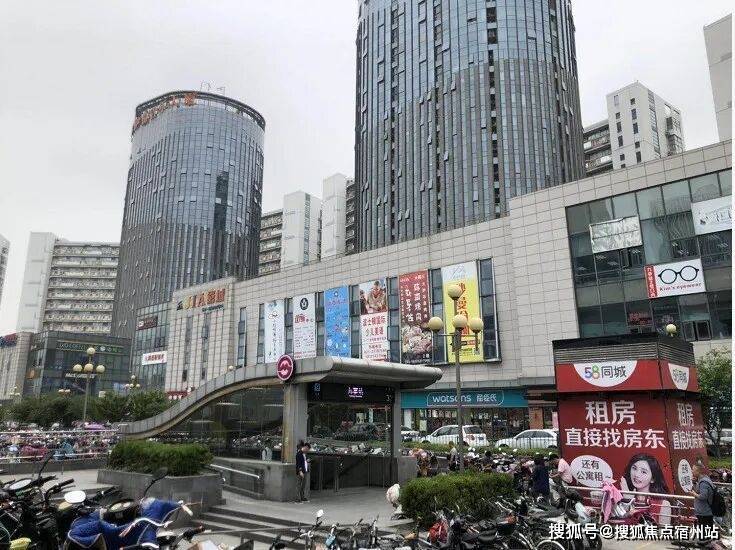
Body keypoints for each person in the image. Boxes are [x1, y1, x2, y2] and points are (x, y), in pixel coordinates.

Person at [620, 453, 672, 525]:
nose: (636, 475)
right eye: (634, 468)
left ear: (653, 479)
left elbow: (663, 532)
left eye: (643, 472)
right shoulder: (621, 498)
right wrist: (627, 501)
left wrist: (629, 503)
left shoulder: (663, 504)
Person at [688, 464, 714, 528]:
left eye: (693, 470)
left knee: (704, 532)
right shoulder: (703, 480)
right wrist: (694, 482)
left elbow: (703, 496)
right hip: (704, 511)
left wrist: (693, 494)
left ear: (698, 471)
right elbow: (698, 491)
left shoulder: (703, 483)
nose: (692, 471)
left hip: (704, 512)